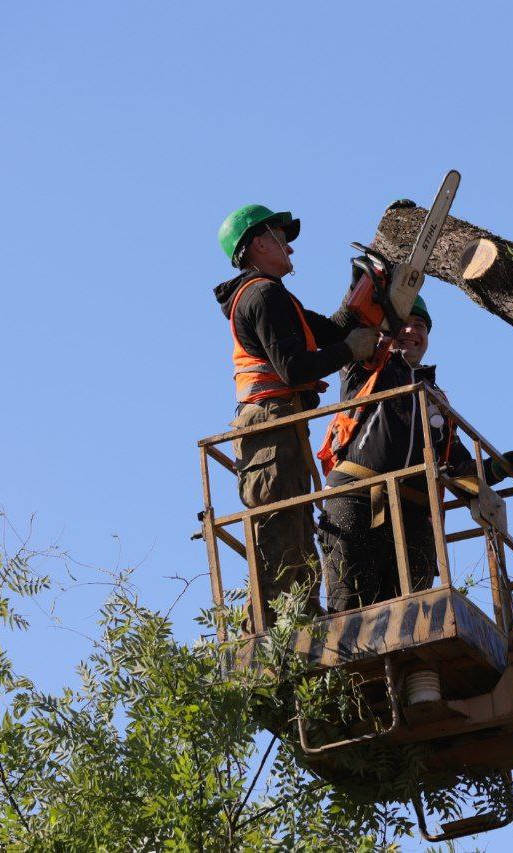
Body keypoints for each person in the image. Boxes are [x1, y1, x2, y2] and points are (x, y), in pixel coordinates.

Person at [316, 295, 513, 612]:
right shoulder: (366, 364)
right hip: (356, 500)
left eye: (419, 325)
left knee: (412, 620)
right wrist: (384, 287)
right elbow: (355, 321)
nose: (411, 330)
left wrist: (499, 469)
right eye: (402, 322)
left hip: (414, 516)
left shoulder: (434, 398)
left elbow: (457, 468)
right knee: (351, 613)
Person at [213, 204, 379, 620]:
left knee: (297, 531)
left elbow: (331, 329)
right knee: (283, 535)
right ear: (258, 244)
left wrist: (363, 286)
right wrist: (349, 351)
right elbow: (294, 368)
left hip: (280, 426)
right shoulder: (262, 295)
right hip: (270, 425)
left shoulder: (275, 296)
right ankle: (278, 629)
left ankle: (299, 618)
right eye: (281, 238)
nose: (289, 248)